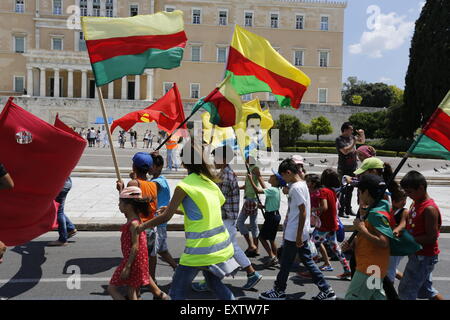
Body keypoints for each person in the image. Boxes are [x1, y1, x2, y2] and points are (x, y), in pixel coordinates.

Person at [139, 143, 238, 300]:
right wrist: (173, 209)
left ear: (183, 162)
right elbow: (202, 211)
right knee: (214, 283)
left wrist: (142, 226)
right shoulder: (210, 183)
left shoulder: (185, 186)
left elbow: (166, 218)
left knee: (177, 291)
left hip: (199, 251)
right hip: (219, 247)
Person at [259, 159, 336, 300]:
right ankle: (326, 289)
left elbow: (303, 212)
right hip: (300, 232)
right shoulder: (300, 184)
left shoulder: (296, 188)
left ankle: (278, 290)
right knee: (307, 261)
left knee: (286, 263)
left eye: (283, 176)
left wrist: (299, 235)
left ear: (288, 172)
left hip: (295, 233)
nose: (282, 179)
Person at [192, 145, 263, 292]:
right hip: (228, 217)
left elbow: (217, 200)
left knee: (215, 250)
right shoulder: (226, 173)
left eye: (215, 157)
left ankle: (211, 281)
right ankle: (251, 273)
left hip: (226, 218)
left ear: (223, 159)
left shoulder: (225, 176)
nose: (213, 160)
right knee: (229, 248)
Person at [107, 186, 169, 300]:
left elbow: (135, 246)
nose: (118, 205)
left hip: (133, 261)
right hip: (138, 260)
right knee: (133, 289)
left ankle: (163, 296)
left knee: (113, 289)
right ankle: (163, 296)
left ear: (128, 206)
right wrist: (121, 190)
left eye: (120, 203)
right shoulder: (133, 218)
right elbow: (128, 202)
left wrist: (127, 266)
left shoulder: (133, 223)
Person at [344, 174, 392, 300]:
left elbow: (383, 242)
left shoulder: (376, 214)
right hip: (374, 267)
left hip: (369, 268)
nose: (359, 195)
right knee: (376, 297)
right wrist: (355, 242)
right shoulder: (377, 208)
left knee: (352, 297)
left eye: (359, 191)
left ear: (366, 192)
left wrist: (362, 229)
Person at [398, 171, 444, 300]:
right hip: (417, 254)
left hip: (424, 257)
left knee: (406, 291)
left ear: (421, 188)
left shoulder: (429, 209)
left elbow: (431, 237)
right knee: (426, 291)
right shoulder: (415, 203)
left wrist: (408, 240)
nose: (407, 195)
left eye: (410, 192)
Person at [117, 152, 159, 281]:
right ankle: (152, 280)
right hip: (151, 226)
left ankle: (138, 290)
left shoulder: (133, 184)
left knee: (137, 260)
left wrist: (121, 190)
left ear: (134, 166)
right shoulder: (153, 184)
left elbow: (127, 207)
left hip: (139, 227)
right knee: (150, 256)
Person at [310, 169, 352, 278]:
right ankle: (347, 269)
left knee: (311, 244)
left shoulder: (323, 191)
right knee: (336, 248)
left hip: (324, 225)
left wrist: (313, 210)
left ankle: (312, 270)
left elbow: (324, 207)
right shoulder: (332, 191)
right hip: (332, 224)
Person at [148, 153, 178, 272]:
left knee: (152, 252)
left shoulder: (156, 183)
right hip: (161, 221)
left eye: (150, 165)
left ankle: (152, 279)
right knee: (162, 249)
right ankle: (177, 268)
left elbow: (146, 196)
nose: (148, 167)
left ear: (157, 167)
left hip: (156, 221)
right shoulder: (161, 179)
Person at [237, 155, 266, 257]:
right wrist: (238, 187)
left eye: (247, 157)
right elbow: (248, 185)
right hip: (250, 198)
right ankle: (256, 249)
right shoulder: (249, 169)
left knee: (240, 222)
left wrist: (268, 192)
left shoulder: (255, 169)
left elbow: (262, 184)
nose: (245, 158)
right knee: (254, 225)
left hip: (251, 199)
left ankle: (252, 245)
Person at [335, 122, 365, 218]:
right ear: (345, 130)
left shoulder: (351, 137)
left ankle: (348, 209)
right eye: (350, 129)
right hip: (343, 168)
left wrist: (362, 134)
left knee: (350, 189)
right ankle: (341, 210)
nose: (352, 131)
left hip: (353, 167)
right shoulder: (339, 139)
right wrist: (354, 142)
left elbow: (362, 141)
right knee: (343, 190)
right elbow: (345, 151)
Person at [386, 188, 409, 284]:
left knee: (390, 269)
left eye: (405, 200)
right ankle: (409, 283)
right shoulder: (389, 209)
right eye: (401, 200)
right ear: (394, 201)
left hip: (399, 244)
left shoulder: (404, 211)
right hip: (391, 243)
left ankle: (389, 291)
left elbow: (403, 224)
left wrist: (395, 231)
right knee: (391, 267)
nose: (404, 202)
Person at [47, 177, 77, 246]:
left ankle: (62, 239)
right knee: (59, 210)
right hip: (66, 182)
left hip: (60, 185)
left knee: (58, 211)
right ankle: (70, 228)